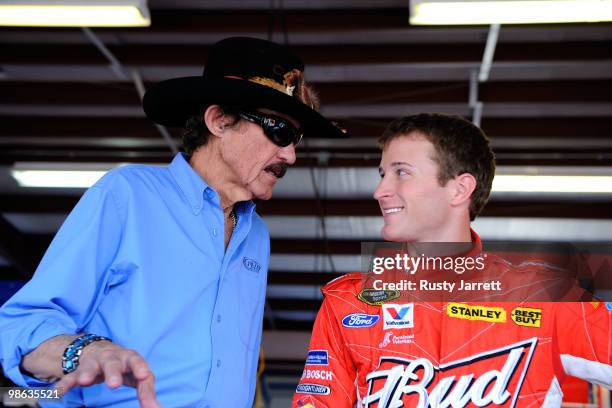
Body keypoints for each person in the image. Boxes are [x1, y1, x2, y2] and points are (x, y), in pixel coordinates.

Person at [0, 36, 345, 407]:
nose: (290, 155)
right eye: (280, 131)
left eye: (297, 138)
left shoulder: (255, 234)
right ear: (219, 120)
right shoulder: (128, 195)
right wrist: (85, 352)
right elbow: (17, 326)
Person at [292, 113, 611, 407]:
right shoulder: (349, 303)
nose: (380, 190)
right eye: (383, 174)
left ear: (460, 189)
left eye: (401, 172)